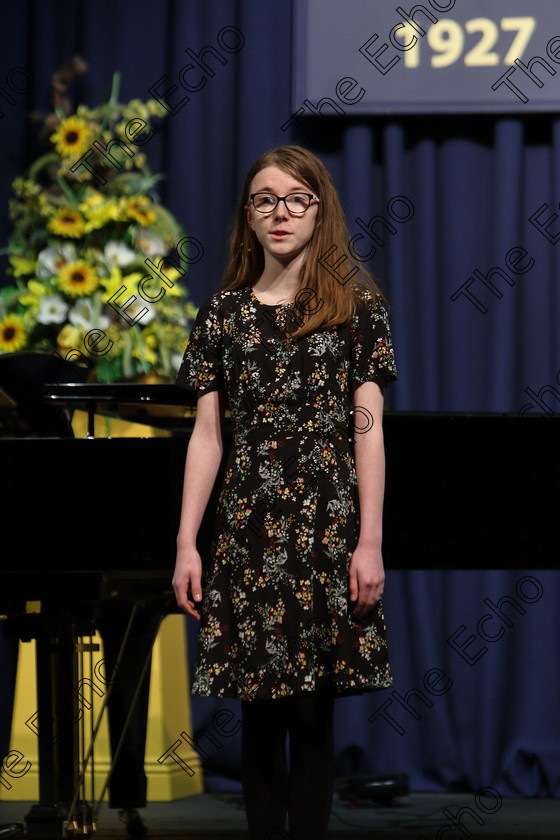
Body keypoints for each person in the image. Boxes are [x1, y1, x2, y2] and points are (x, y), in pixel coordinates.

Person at [172, 145, 398, 840]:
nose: (280, 212)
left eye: (297, 198)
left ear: (319, 210)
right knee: (260, 714)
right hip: (248, 530)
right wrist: (186, 541)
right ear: (248, 214)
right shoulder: (222, 316)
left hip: (327, 530)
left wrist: (369, 540)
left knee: (311, 713)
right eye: (265, 199)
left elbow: (367, 431)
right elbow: (208, 437)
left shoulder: (354, 310)